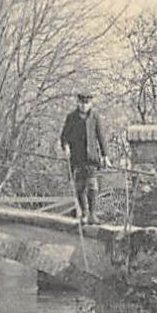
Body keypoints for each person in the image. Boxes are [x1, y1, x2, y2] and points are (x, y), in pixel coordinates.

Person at [58, 92, 107, 225]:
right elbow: (64, 137)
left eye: (86, 103)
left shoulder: (95, 117)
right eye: (81, 103)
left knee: (92, 186)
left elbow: (101, 137)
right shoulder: (71, 117)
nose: (84, 106)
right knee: (80, 187)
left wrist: (105, 156)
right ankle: (84, 213)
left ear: (90, 103)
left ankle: (92, 214)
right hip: (77, 158)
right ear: (78, 103)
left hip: (91, 158)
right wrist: (66, 147)